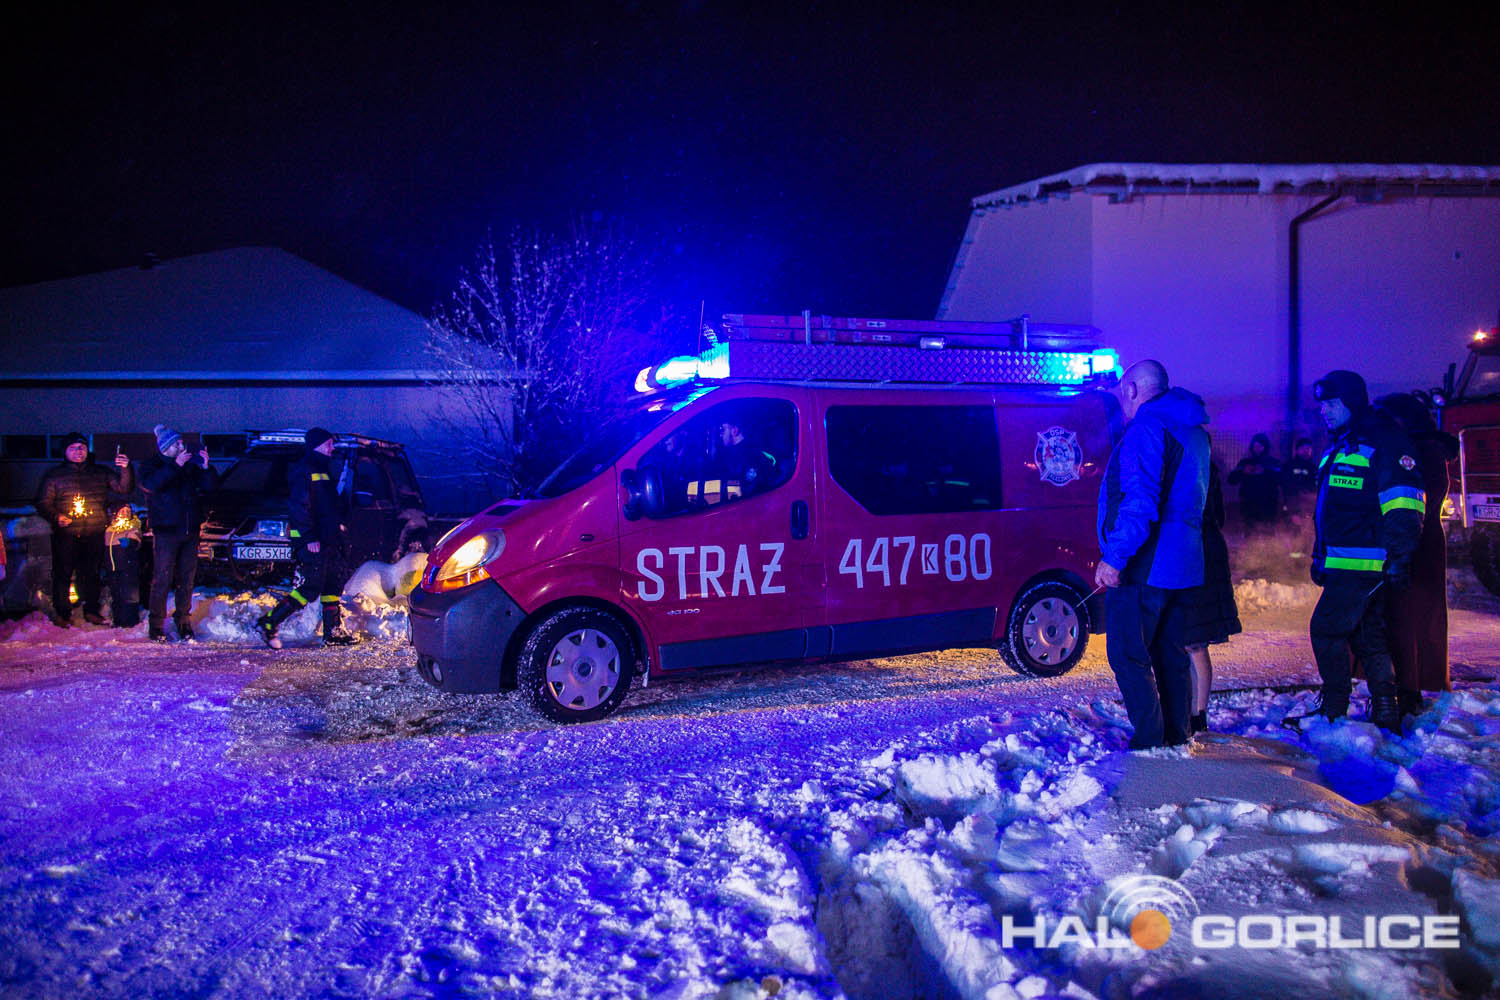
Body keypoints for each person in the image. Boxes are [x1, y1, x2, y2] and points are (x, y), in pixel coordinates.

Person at [1294, 371, 1424, 731]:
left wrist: (1400, 556)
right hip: (1346, 560)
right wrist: (1321, 556)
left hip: (1365, 561)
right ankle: (1385, 711)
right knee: (1368, 635)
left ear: (1352, 402)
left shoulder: (1384, 441)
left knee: (1326, 630)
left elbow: (1404, 503)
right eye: (1322, 404)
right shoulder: (1345, 441)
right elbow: (1332, 508)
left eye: (1332, 403)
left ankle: (1334, 709)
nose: (1324, 410)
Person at [1095, 360, 1211, 749]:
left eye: (1122, 393)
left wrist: (1115, 557)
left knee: (1128, 654)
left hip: (1145, 564)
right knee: (1170, 654)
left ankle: (1149, 741)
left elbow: (1140, 501)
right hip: (1184, 563)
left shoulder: (1147, 426)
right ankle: (1177, 735)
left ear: (1131, 389)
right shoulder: (1193, 428)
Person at [1374, 392, 1458, 717]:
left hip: (1413, 543)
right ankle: (1410, 685)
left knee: (1404, 619)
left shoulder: (1416, 450)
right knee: (1416, 619)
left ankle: (1408, 690)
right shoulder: (1427, 447)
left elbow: (1413, 500)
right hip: (1421, 540)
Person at [256, 428, 357, 648]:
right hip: (313, 542)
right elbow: (299, 508)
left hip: (329, 540)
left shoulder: (324, 469)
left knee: (332, 586)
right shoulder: (305, 470)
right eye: (328, 444)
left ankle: (333, 632)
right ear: (316, 445)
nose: (331, 448)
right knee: (310, 588)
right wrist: (308, 537)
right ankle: (269, 622)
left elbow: (328, 507)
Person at [36, 432, 134, 627]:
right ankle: (62, 612)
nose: (78, 451)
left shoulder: (99, 472)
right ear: (65, 451)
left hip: (94, 531)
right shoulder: (55, 475)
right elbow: (43, 502)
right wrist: (57, 517)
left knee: (91, 573)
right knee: (63, 573)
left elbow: (124, 488)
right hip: (66, 533)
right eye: (73, 448)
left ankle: (91, 610)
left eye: (81, 447)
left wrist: (125, 469)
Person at [140, 425, 220, 641]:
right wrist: (175, 466)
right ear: (166, 447)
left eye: (181, 442)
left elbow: (210, 488)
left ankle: (183, 620)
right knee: (162, 577)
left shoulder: (189, 466)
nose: (181, 445)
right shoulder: (152, 465)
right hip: (166, 530)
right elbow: (151, 485)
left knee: (187, 578)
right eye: (176, 443)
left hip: (190, 529)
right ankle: (156, 624)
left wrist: (206, 468)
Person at [1181, 461, 1242, 733]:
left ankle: (1195, 715)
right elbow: (1220, 515)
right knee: (1194, 641)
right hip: (1206, 549)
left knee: (1193, 641)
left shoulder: (1188, 465)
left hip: (1194, 553)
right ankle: (1196, 713)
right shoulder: (1207, 465)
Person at [1227, 433, 1282, 533]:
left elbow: (1281, 480)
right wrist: (1243, 471)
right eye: (1255, 446)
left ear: (1265, 447)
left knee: (1268, 534)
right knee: (1250, 533)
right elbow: (1231, 480)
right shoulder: (1245, 463)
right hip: (1249, 506)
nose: (1257, 448)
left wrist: (1265, 471)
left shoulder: (1273, 463)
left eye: (1260, 446)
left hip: (1268, 505)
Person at [717, 417, 775, 501]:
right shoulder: (733, 453)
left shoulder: (751, 454)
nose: (720, 434)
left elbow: (752, 488)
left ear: (735, 431)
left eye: (723, 429)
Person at [104, 503, 143, 628]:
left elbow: (136, 539)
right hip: (113, 567)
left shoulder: (132, 527)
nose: (125, 514)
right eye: (122, 511)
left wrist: (130, 542)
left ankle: (130, 620)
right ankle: (118, 619)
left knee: (129, 593)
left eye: (128, 512)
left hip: (128, 566)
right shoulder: (110, 529)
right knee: (116, 593)